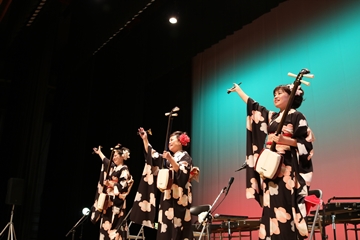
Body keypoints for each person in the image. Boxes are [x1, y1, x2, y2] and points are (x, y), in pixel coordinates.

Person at [228, 83, 315, 240]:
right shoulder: (274, 117)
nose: (275, 96)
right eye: (274, 93)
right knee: (270, 207)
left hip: (286, 170)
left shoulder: (297, 116)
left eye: (280, 93)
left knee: (285, 208)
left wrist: (285, 141)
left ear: (292, 96)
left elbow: (307, 144)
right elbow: (255, 108)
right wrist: (239, 91)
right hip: (271, 170)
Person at [130, 127, 196, 240]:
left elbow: (182, 175)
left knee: (177, 229)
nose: (169, 142)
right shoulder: (169, 158)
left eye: (172, 140)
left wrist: (170, 159)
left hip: (179, 198)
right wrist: (145, 139)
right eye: (169, 140)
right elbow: (153, 156)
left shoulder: (185, 157)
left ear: (181, 142)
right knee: (165, 228)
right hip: (167, 197)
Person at [90, 144, 134, 240]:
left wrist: (111, 183)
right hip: (108, 201)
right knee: (105, 226)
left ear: (122, 156)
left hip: (116, 202)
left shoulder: (124, 169)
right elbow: (107, 162)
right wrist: (99, 153)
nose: (113, 157)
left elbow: (123, 185)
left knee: (114, 228)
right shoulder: (114, 168)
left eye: (116, 155)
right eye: (113, 155)